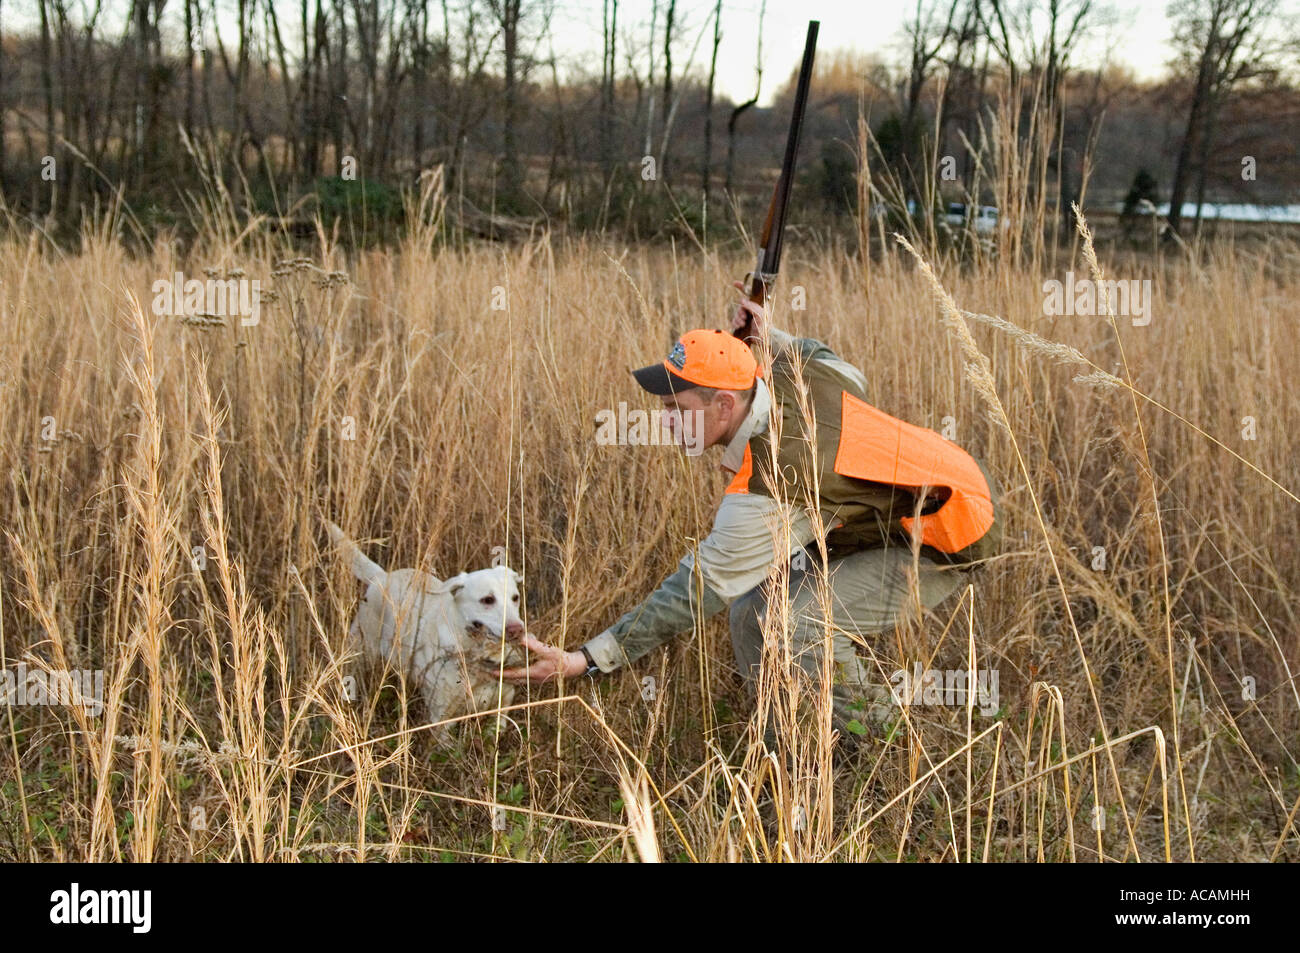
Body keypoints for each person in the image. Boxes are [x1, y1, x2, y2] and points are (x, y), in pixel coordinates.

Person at [502, 286, 1001, 745]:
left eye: (678, 407)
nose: (665, 421)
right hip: (881, 515)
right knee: (750, 611)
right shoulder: (788, 374)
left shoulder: (774, 480)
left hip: (942, 531)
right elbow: (836, 365)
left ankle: (869, 745)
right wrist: (768, 334)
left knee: (795, 622)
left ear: (724, 403)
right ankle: (779, 738)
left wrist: (587, 659)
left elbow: (696, 590)